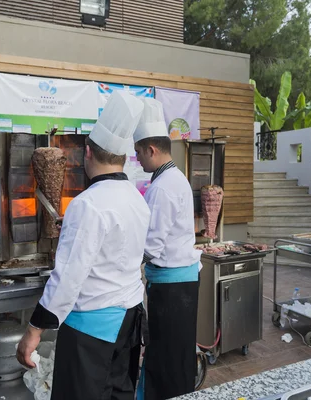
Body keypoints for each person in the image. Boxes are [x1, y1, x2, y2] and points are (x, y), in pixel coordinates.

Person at [16, 91, 150, 400]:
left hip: (93, 329)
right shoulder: (136, 199)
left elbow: (67, 279)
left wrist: (34, 331)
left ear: (87, 153)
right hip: (129, 319)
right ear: (124, 158)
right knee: (118, 394)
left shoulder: (87, 204)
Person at [133, 98, 202, 400]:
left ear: (152, 150)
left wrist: (125, 264)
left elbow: (151, 245)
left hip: (171, 287)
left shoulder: (162, 187)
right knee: (177, 354)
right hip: (181, 281)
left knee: (165, 357)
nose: (137, 160)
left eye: (138, 153)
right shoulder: (176, 178)